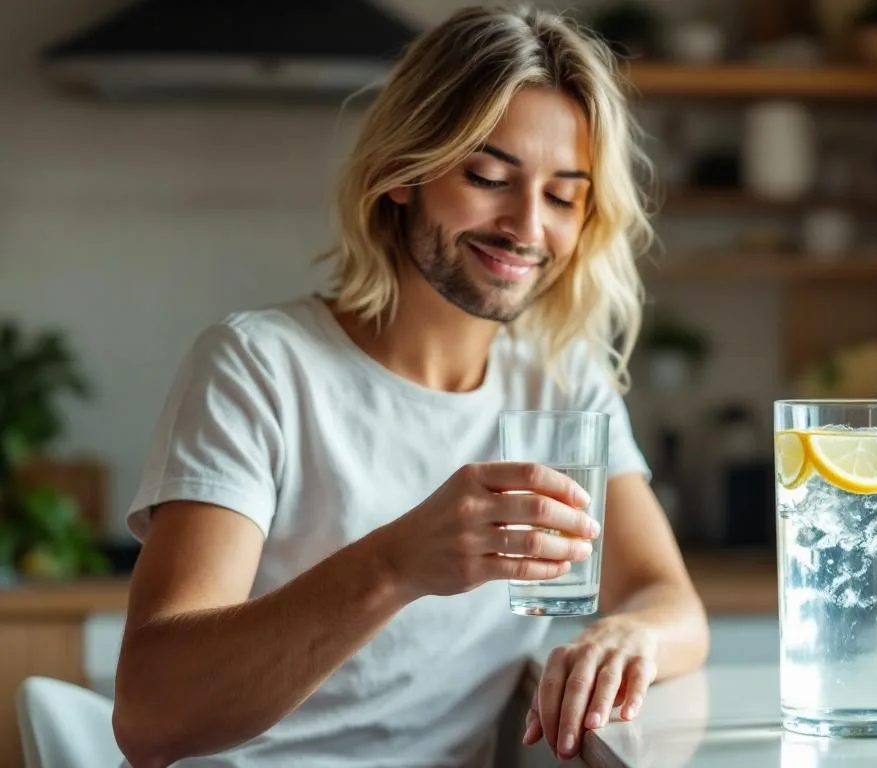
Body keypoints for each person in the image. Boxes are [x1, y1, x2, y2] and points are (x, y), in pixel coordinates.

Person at [110, 5, 710, 766]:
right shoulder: (257, 366)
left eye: (563, 196)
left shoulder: (561, 381)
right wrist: (395, 564)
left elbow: (670, 600)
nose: (527, 227)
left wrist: (629, 634)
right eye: (488, 177)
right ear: (404, 172)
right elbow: (150, 717)